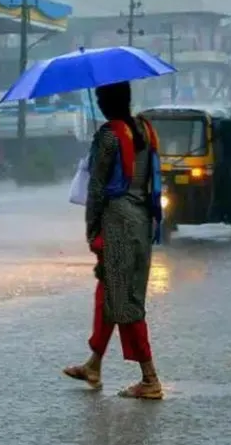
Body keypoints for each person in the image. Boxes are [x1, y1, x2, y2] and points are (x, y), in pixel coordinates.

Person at [63, 81, 164, 400]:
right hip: (142, 220)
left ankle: (150, 378)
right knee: (110, 292)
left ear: (108, 102)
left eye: (100, 97)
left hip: (117, 223)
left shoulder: (108, 136)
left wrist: (92, 228)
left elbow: (95, 189)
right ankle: (94, 364)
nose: (100, 102)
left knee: (125, 300)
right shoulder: (145, 130)